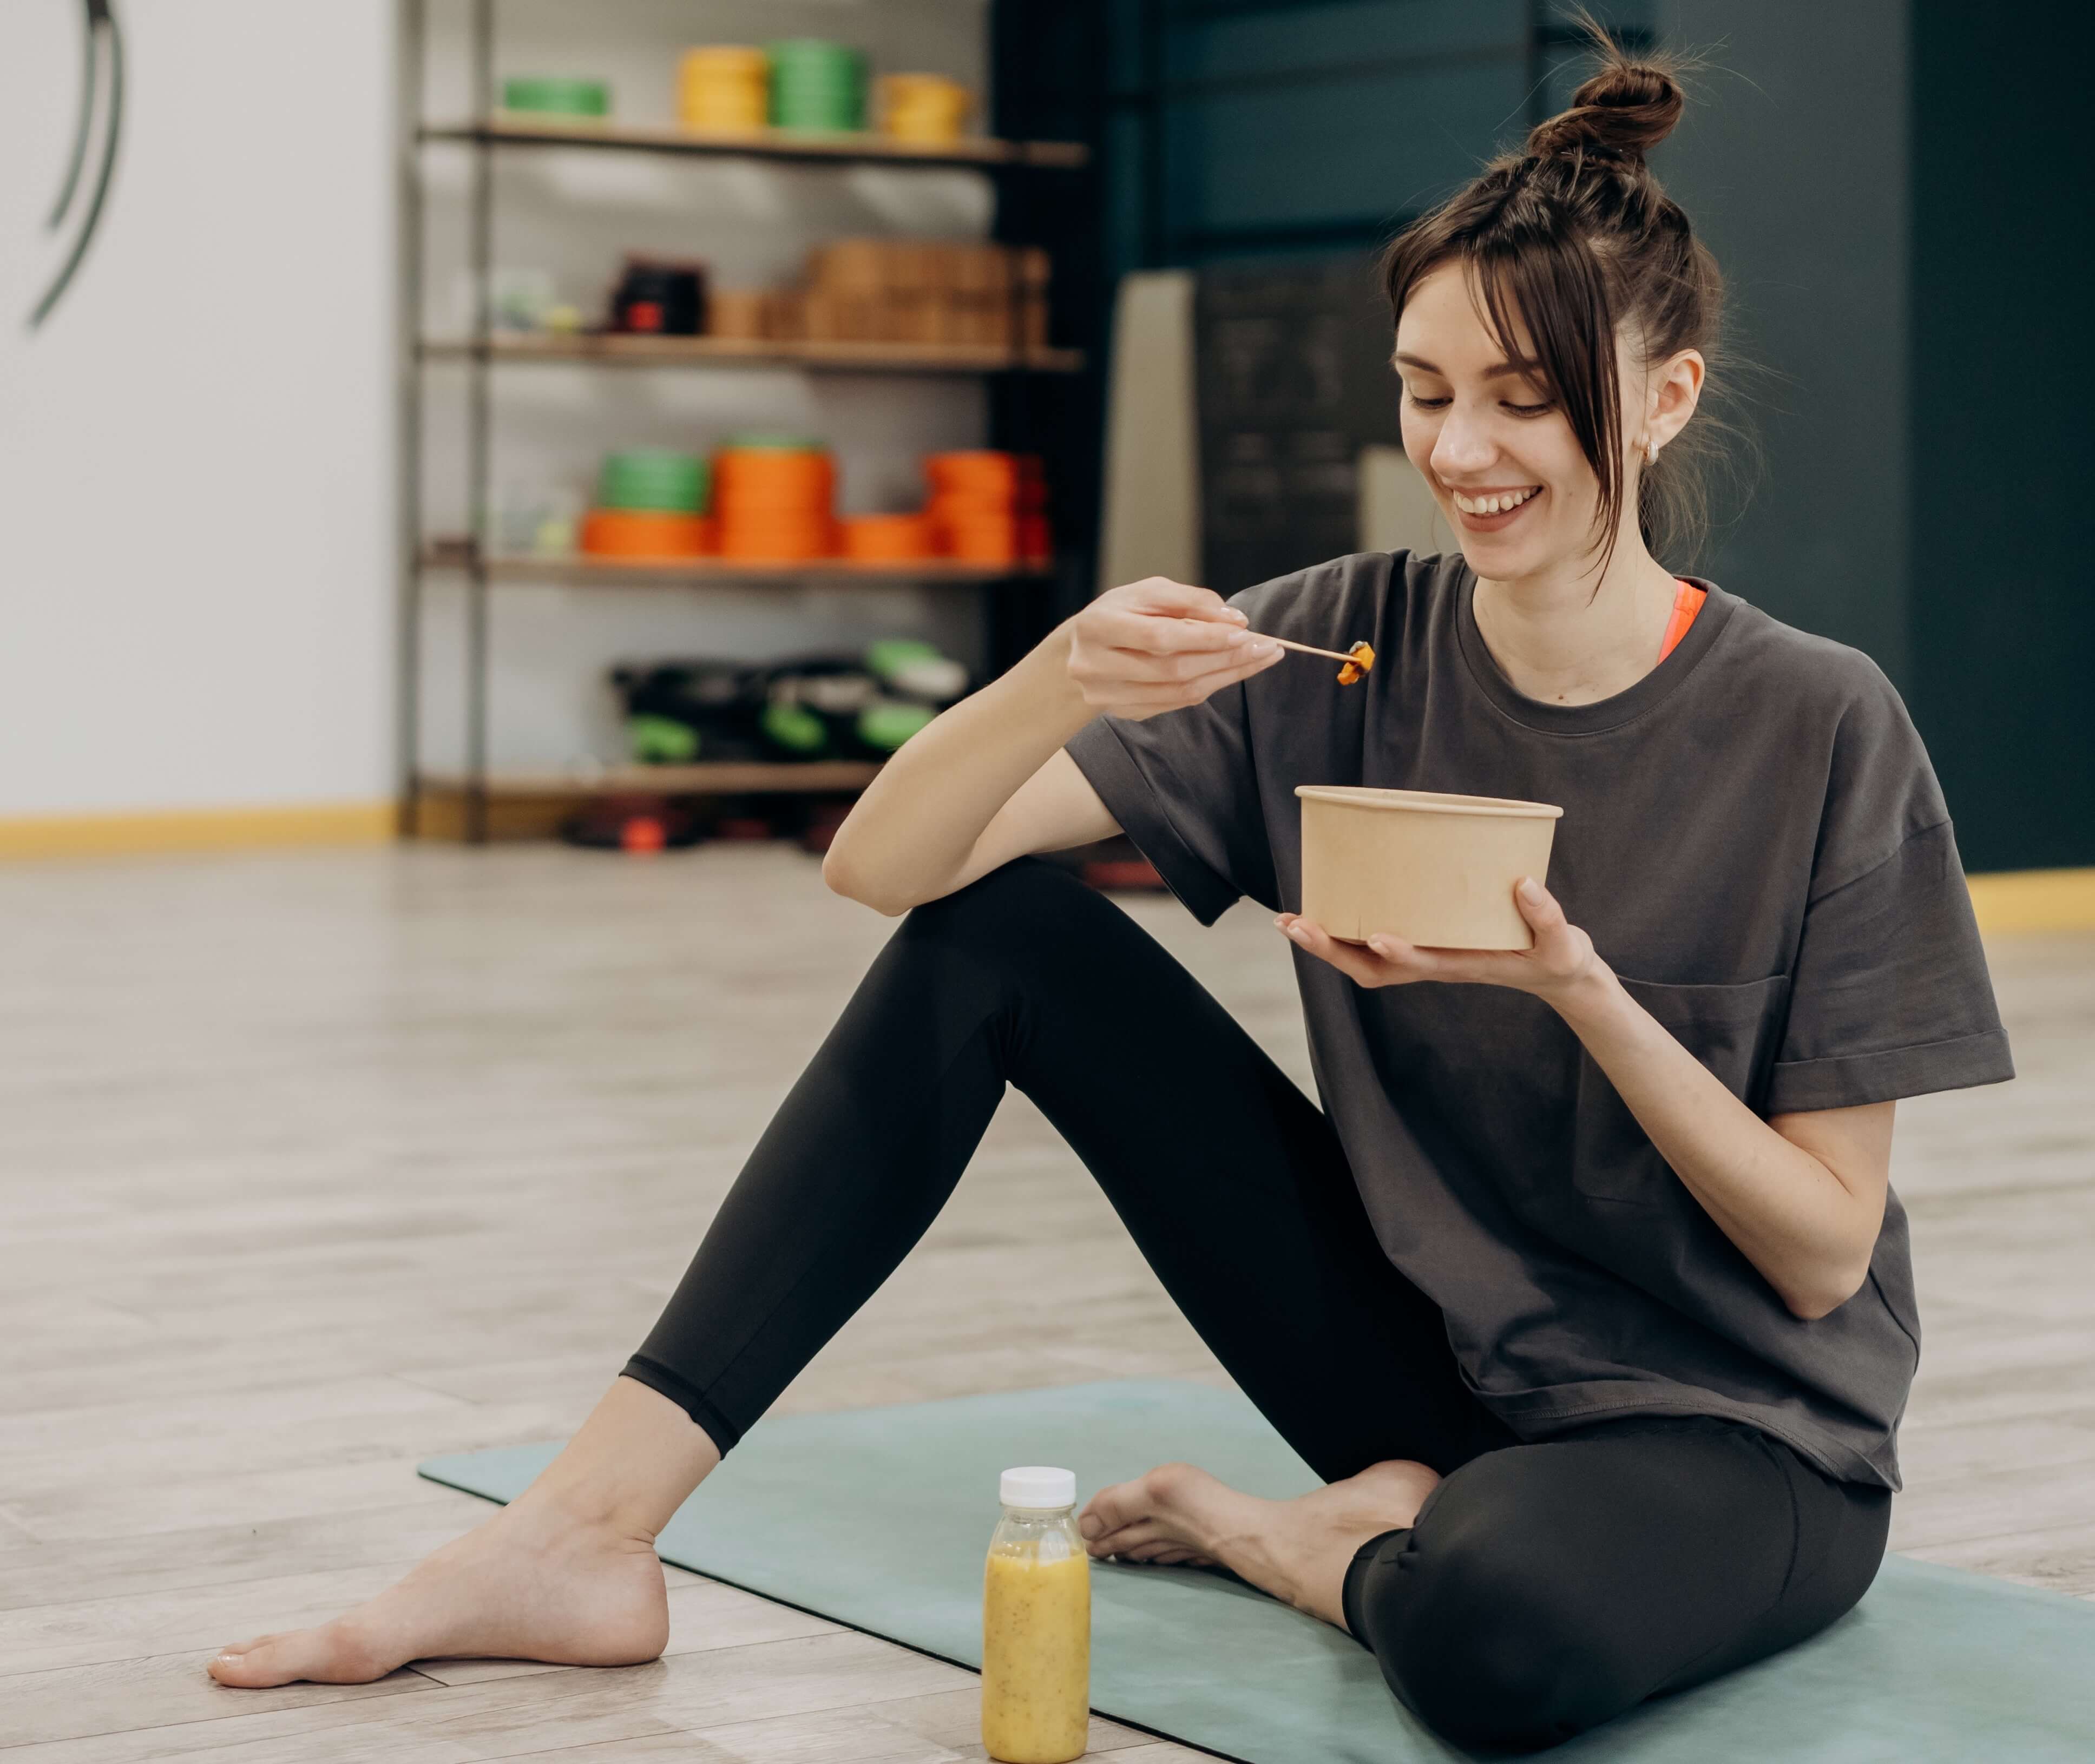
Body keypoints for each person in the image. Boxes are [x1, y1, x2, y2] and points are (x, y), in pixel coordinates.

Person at [208, 35, 2013, 1754]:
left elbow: (1820, 1248)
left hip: (1733, 1434)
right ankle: (583, 1530)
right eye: (1428, 390)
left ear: (1667, 397)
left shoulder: (1819, 722)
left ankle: (1303, 1540)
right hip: (1434, 1365)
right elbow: (883, 868)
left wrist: (1581, 996)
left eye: (1526, 402)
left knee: (1490, 1643)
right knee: (1002, 940)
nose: (1463, 448)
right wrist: (1054, 673)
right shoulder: (1344, 641)